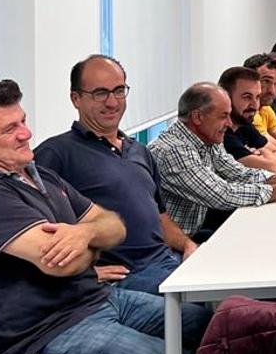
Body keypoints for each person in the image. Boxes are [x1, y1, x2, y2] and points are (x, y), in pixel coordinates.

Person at [0, 79, 208, 354]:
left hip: (98, 301)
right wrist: (89, 240)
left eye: (23, 121)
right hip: (43, 336)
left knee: (203, 326)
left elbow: (114, 225)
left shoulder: (40, 177)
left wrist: (84, 233)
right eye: (10, 129)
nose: (26, 133)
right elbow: (64, 263)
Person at [34, 55, 201, 296]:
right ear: (76, 99)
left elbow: (160, 218)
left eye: (119, 90)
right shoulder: (56, 154)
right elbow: (39, 229)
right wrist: (86, 274)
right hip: (126, 277)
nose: (112, 102)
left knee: (233, 286)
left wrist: (188, 245)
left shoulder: (140, 151)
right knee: (208, 309)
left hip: (167, 260)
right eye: (100, 93)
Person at [150, 83, 276, 238]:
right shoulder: (174, 150)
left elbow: (240, 173)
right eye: (224, 116)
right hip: (171, 245)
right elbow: (222, 195)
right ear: (197, 117)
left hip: (193, 231)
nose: (229, 123)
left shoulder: (206, 138)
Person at [218, 66, 276, 173]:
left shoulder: (243, 124)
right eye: (247, 97)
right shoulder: (222, 133)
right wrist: (265, 155)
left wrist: (261, 154)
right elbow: (274, 167)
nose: (255, 105)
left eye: (257, 97)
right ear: (226, 97)